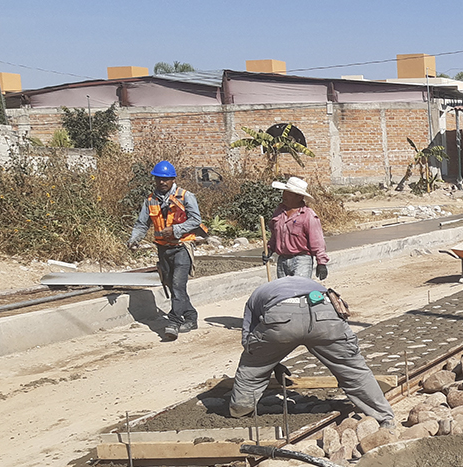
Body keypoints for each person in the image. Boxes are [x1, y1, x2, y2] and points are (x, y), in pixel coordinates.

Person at [228, 276, 395, 427]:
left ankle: (241, 412)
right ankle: (384, 418)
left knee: (252, 369)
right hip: (324, 313)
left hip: (280, 316)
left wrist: (268, 362)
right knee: (353, 370)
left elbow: (250, 341)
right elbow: (341, 312)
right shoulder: (315, 285)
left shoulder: (257, 296)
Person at [129, 161, 203, 341]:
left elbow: (196, 220)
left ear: (173, 179)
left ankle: (174, 322)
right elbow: (142, 224)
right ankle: (191, 317)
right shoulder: (150, 200)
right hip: (163, 249)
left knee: (178, 285)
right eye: (159, 179)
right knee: (171, 285)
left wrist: (176, 230)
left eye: (166, 179)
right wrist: (134, 239)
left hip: (182, 247)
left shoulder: (185, 196)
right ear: (155, 179)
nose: (162, 182)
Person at [267, 176, 329, 280]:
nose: (284, 196)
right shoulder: (279, 212)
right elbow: (275, 235)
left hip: (301, 260)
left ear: (299, 197)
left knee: (299, 291)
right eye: (284, 192)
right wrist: (269, 249)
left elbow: (317, 241)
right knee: (284, 293)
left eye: (288, 193)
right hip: (282, 260)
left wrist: (321, 263)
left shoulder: (308, 215)